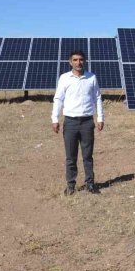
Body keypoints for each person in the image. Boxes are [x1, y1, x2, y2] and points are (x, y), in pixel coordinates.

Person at [51, 50, 104, 195]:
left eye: (81, 59)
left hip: (87, 122)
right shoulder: (64, 78)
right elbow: (58, 99)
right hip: (70, 122)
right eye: (75, 60)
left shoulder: (91, 77)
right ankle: (71, 185)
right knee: (71, 156)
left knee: (87, 155)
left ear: (84, 61)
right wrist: (55, 119)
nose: (78, 62)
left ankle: (90, 184)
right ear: (70, 62)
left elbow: (97, 98)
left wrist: (100, 118)